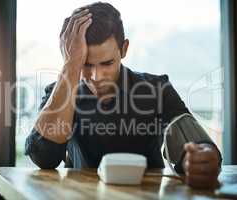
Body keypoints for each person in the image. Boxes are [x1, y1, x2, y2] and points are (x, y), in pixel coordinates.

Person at [25, 2, 222, 189]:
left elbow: (195, 144)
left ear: (124, 49)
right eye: (86, 64)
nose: (96, 77)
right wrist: (71, 66)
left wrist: (203, 159)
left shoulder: (157, 89)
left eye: (107, 63)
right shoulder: (60, 92)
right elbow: (43, 157)